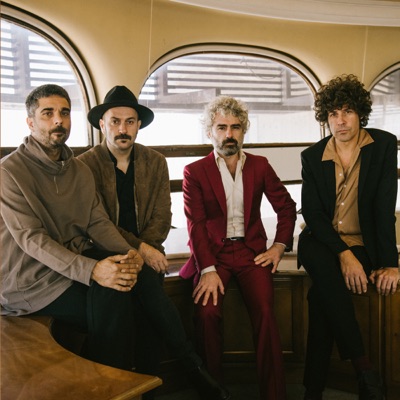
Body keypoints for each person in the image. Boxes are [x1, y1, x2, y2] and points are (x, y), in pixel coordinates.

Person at [0, 84, 230, 400]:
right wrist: (94, 269)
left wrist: (131, 252)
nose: (58, 121)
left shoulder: (76, 169)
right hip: (29, 281)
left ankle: (125, 387)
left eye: (64, 112)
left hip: (69, 268)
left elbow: (97, 222)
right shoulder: (9, 172)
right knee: (119, 295)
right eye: (47, 113)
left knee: (130, 278)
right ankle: (126, 387)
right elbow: (32, 239)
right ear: (30, 122)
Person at [78, 85, 231, 400]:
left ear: (138, 125)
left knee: (149, 310)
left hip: (147, 256)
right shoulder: (84, 166)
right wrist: (139, 251)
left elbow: (163, 215)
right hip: (105, 255)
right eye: (115, 121)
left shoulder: (155, 161)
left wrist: (146, 249)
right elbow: (97, 222)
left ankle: (147, 390)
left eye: (130, 121)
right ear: (102, 124)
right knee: (147, 295)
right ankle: (193, 368)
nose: (123, 129)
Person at [179, 95, 297, 400]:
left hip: (251, 253)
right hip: (213, 256)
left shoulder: (260, 165)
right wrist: (207, 268)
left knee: (267, 313)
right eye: (221, 127)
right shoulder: (194, 171)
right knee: (206, 315)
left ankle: (274, 395)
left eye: (235, 127)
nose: (228, 134)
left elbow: (286, 207)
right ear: (210, 132)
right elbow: (195, 225)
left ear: (244, 130)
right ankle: (214, 392)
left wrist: (279, 246)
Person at [298, 74, 400, 400]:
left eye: (347, 111)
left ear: (360, 113)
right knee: (323, 265)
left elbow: (384, 209)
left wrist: (391, 263)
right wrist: (344, 255)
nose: (340, 121)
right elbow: (313, 214)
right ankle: (364, 369)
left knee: (321, 299)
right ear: (325, 117)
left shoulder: (383, 146)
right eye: (333, 114)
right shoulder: (312, 156)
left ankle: (313, 390)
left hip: (362, 243)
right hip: (320, 241)